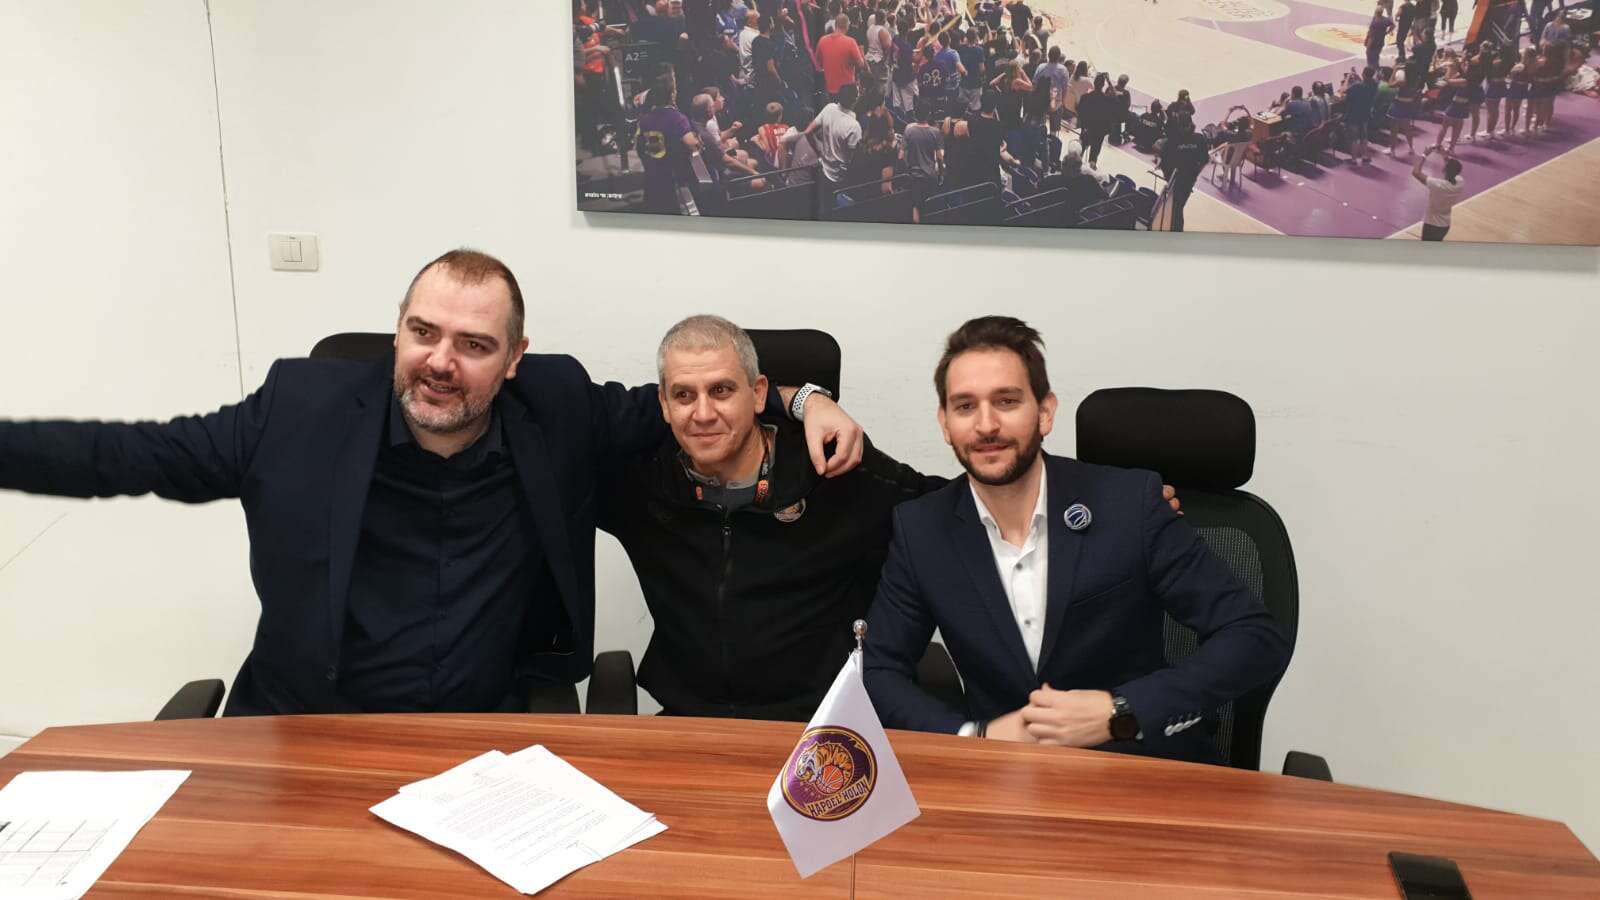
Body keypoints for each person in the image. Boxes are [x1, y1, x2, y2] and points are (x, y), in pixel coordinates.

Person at [0, 249, 867, 716]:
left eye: (474, 345)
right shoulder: (296, 411)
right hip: (309, 729)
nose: (440, 362)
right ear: (399, 332)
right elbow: (129, 455)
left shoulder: (558, 404)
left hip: (483, 741)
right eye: (423, 333)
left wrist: (805, 398)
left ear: (515, 359)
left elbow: (694, 400)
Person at [863, 317, 1290, 762]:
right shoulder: (921, 529)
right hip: (1005, 774)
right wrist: (974, 737)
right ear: (945, 423)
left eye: (1007, 401)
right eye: (965, 406)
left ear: (1045, 412)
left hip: (1139, 765)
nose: (986, 425)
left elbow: (1254, 636)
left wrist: (1122, 712)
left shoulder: (1130, 504)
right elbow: (876, 670)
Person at [597, 316, 938, 719]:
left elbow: (956, 510)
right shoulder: (644, 480)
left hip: (821, 728)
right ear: (664, 406)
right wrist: (805, 398)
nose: (703, 414)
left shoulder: (833, 470)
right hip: (690, 723)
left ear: (758, 394)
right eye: (684, 395)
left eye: (721, 391)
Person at [636, 84, 704, 215]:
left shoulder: (644, 120)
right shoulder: (677, 118)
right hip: (673, 178)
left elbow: (639, 147)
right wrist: (698, 141)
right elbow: (691, 143)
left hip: (652, 177)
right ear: (671, 96)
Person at [804, 82, 864, 191]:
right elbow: (853, 158)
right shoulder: (854, 126)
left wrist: (819, 151)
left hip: (824, 171)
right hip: (841, 178)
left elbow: (808, 132)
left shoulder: (829, 108)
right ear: (855, 99)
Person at [1157, 114, 1209, 232]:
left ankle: (1176, 232)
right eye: (1183, 126)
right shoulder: (1176, 139)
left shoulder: (1196, 139)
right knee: (1177, 207)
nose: (1184, 128)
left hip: (1186, 180)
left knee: (1177, 208)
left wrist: (1195, 173)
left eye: (1186, 126)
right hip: (1176, 179)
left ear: (1190, 125)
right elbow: (1163, 158)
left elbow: (1204, 160)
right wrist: (1168, 178)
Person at [1412, 146, 1463, 240]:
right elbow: (1451, 167)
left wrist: (1424, 155)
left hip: (1432, 225)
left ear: (1444, 170)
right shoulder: (1460, 182)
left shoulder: (1437, 185)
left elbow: (1416, 172)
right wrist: (1443, 153)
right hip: (1445, 225)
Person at [816, 13, 865, 99]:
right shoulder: (850, 42)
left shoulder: (822, 40)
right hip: (847, 89)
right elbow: (861, 64)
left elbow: (818, 62)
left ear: (835, 25)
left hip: (829, 88)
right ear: (847, 26)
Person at [1345, 66, 1380, 163]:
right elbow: (1365, 83)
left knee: (1354, 138)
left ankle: (1354, 159)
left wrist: (1348, 78)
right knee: (1364, 136)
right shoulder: (1374, 84)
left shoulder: (1356, 86)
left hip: (1354, 114)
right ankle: (1364, 156)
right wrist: (1356, 76)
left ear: (1363, 74)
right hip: (1365, 113)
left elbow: (1343, 90)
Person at [1366, 5, 1394, 71]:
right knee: (1376, 56)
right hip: (1380, 41)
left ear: (1376, 12)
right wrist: (1387, 32)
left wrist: (1368, 46)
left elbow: (1371, 36)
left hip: (1373, 42)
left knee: (1370, 56)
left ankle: (1371, 70)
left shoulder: (1375, 22)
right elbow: (1393, 25)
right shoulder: (1385, 20)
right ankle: (1376, 69)